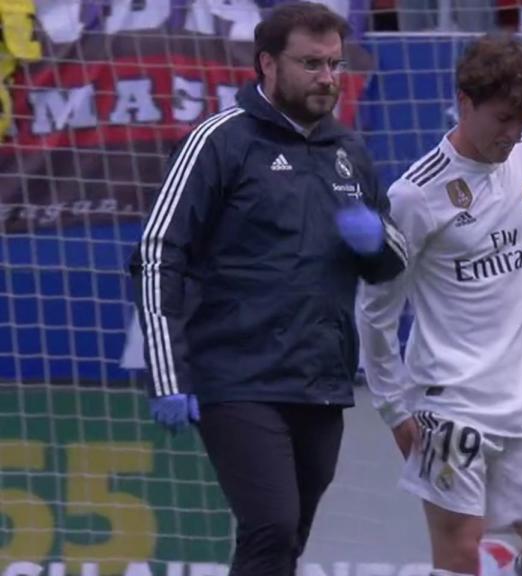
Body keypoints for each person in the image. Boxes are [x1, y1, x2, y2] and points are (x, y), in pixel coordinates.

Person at [128, 3, 407, 574]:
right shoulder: (219, 141)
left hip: (319, 380)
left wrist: (374, 240)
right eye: (311, 64)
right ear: (268, 65)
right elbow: (159, 253)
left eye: (335, 64)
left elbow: (392, 264)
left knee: (284, 539)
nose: (328, 78)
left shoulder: (349, 152)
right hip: (237, 378)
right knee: (272, 524)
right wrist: (167, 374)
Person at [356, 32, 522, 576]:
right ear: (465, 103)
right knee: (460, 557)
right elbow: (374, 312)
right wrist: (394, 410)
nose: (513, 134)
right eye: (502, 119)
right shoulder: (416, 195)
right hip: (448, 405)